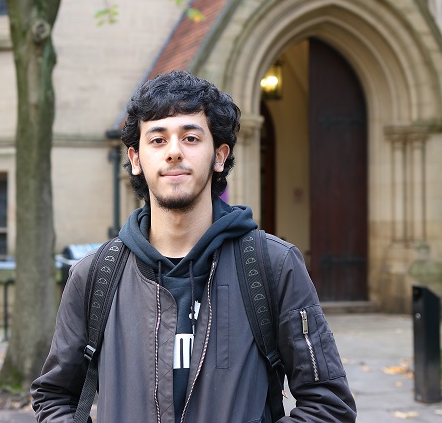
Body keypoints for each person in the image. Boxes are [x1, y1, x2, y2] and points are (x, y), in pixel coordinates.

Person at [31, 70, 357, 422]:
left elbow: (328, 405)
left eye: (190, 138)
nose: (173, 152)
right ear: (136, 159)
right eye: (157, 140)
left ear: (219, 155)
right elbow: (54, 398)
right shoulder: (95, 276)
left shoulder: (273, 266)